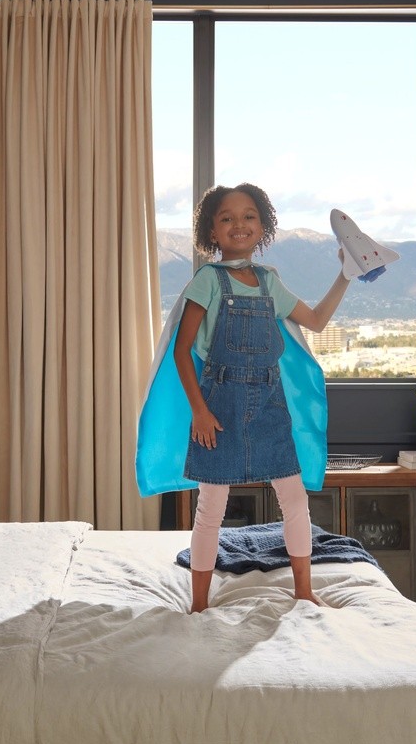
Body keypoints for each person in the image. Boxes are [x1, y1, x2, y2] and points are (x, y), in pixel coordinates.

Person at [137, 183, 353, 613]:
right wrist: (199, 410)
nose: (239, 224)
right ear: (212, 232)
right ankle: (200, 604)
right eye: (227, 218)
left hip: (269, 406)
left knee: (294, 500)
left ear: (263, 226)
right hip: (219, 406)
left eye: (249, 216)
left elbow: (314, 320)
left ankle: (304, 592)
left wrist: (346, 273)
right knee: (211, 507)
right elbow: (182, 351)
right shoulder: (208, 280)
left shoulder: (270, 281)